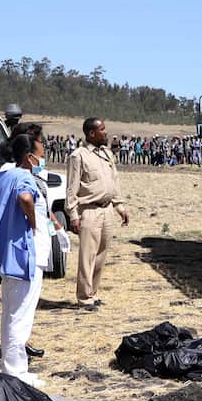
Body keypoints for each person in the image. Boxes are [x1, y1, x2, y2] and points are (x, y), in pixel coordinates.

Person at [0, 134, 46, 386]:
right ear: (29, 157)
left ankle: (13, 368)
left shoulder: (1, 176)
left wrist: (3, 221)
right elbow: (25, 199)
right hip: (23, 253)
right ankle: (16, 372)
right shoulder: (24, 178)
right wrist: (30, 221)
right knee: (21, 314)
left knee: (10, 312)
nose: (41, 160)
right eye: (40, 155)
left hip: (6, 253)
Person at [67, 117, 129, 308]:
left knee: (101, 255)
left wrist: (120, 207)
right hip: (89, 211)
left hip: (107, 210)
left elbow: (114, 181)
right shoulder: (78, 156)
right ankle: (84, 297)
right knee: (87, 256)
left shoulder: (107, 154)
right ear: (91, 133)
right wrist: (73, 215)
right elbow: (71, 188)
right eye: (102, 129)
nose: (106, 132)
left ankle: (93, 293)